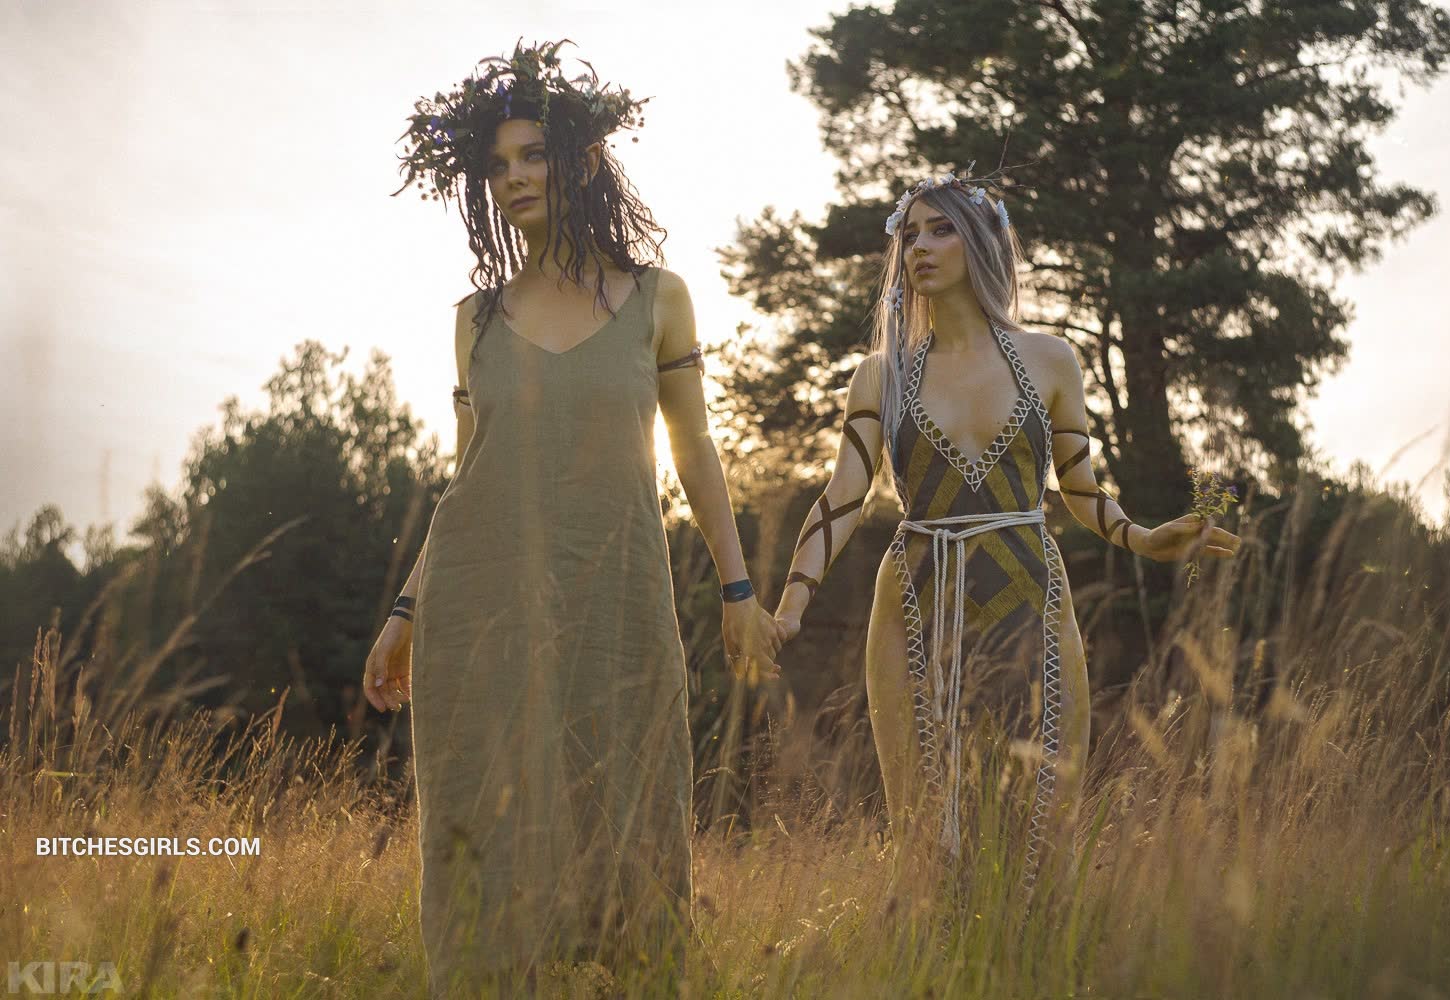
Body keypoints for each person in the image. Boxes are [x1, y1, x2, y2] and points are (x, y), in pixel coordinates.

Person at [361, 41, 784, 994]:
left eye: (532, 156)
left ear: (582, 160)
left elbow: (696, 450)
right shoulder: (474, 319)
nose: (513, 177)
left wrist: (738, 589)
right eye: (496, 165)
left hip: (617, 601)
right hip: (481, 609)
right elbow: (466, 477)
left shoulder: (658, 298)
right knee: (483, 821)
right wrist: (405, 611)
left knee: (631, 809)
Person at [773, 169, 1240, 881]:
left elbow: (1080, 491)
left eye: (940, 229)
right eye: (909, 234)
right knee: (926, 840)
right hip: (914, 605)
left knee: (1041, 835)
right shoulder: (879, 375)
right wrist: (789, 607)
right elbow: (842, 497)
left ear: (982, 242)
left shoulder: (1050, 359)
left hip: (1031, 603)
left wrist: (1144, 539)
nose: (918, 246)